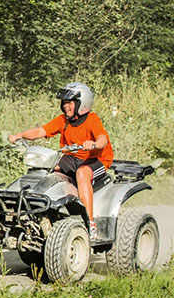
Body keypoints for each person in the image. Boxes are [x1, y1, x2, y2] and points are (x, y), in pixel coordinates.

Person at [8, 82, 114, 240]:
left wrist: (93, 144)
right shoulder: (63, 120)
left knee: (82, 173)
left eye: (69, 103)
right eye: (64, 103)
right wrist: (20, 135)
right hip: (72, 157)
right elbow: (41, 131)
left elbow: (102, 138)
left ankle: (91, 224)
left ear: (81, 103)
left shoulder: (92, 119)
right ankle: (40, 210)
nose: (66, 106)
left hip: (95, 159)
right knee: (48, 170)